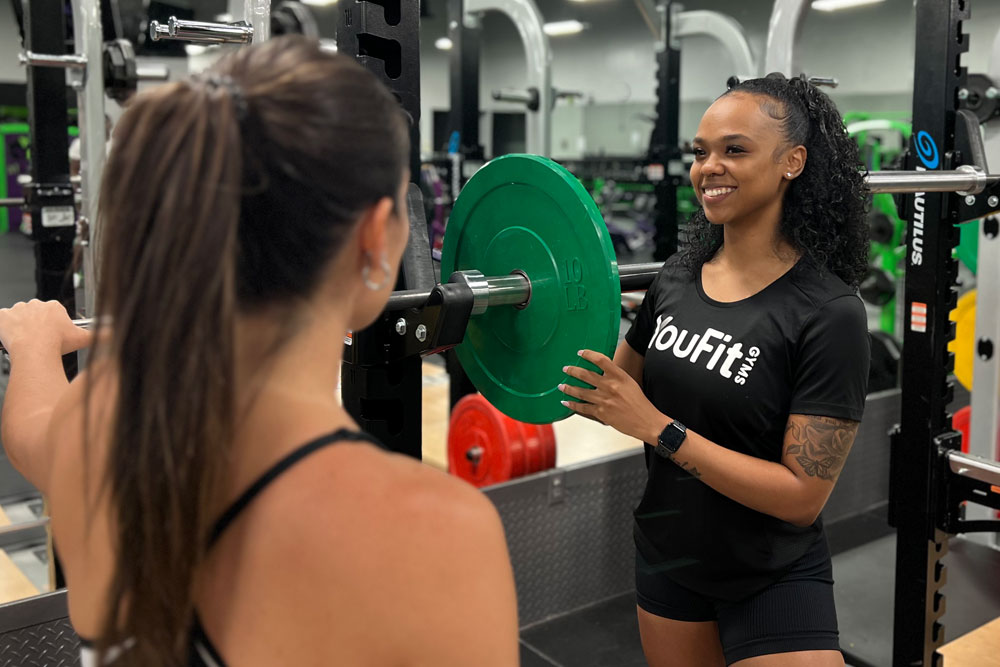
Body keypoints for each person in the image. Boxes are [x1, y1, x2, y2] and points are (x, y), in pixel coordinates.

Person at [0, 36, 518, 667]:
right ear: (376, 237)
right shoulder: (435, 535)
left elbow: (30, 434)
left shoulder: (98, 419)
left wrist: (32, 343)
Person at [559, 73, 871, 666]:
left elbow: (802, 496)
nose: (709, 167)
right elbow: (610, 389)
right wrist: (509, 326)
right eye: (700, 152)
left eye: (735, 149)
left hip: (772, 569)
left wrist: (661, 430)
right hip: (671, 554)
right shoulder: (676, 277)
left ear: (793, 162)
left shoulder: (829, 312)